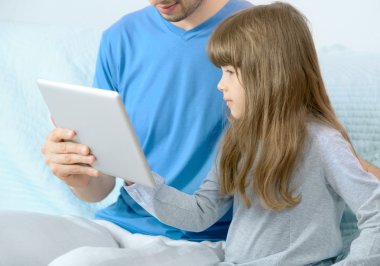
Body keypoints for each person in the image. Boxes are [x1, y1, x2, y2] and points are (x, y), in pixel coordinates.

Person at [122, 3, 380, 265]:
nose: (221, 85)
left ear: (269, 74)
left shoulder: (323, 142)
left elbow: (376, 211)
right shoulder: (237, 140)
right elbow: (201, 212)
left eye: (231, 72)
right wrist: (139, 182)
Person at [0, 1, 252, 266]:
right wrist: (77, 174)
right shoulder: (121, 37)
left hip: (200, 241)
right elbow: (100, 187)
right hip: (117, 225)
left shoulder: (260, 36)